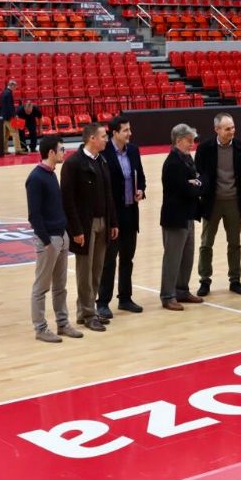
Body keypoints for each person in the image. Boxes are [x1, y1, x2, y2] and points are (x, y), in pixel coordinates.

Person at [61, 123, 119, 332]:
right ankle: (87, 313)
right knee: (84, 272)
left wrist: (113, 222)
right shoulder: (73, 164)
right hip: (85, 225)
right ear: (92, 139)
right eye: (103, 136)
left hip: (103, 222)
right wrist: (76, 230)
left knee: (97, 270)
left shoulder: (102, 161)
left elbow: (108, 195)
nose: (106, 139)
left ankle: (88, 310)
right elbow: (67, 201)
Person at [25, 136, 83, 343]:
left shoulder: (51, 175)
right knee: (41, 287)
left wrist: (65, 233)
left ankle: (62, 323)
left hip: (61, 236)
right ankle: (40, 328)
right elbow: (34, 215)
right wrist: (47, 241)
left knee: (61, 285)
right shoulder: (36, 178)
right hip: (49, 240)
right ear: (50, 153)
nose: (64, 152)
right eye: (61, 149)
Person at [97, 116, 146, 319]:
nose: (129, 133)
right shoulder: (104, 153)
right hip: (113, 215)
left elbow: (140, 176)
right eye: (125, 130)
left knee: (127, 258)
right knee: (109, 260)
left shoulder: (133, 150)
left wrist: (141, 190)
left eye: (129, 129)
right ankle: (102, 302)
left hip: (130, 212)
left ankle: (125, 298)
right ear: (114, 133)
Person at [195, 112, 241, 296]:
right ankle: (204, 280)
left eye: (233, 127)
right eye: (227, 129)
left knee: (234, 243)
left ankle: (235, 280)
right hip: (212, 202)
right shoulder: (204, 148)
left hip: (234, 201)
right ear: (217, 130)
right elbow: (199, 172)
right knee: (206, 244)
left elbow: (239, 172)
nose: (232, 131)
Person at [160, 124, 204, 310]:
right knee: (173, 258)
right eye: (189, 140)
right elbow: (184, 189)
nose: (192, 144)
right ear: (178, 141)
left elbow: (197, 182)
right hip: (175, 218)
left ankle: (182, 290)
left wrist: (195, 183)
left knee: (187, 256)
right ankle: (167, 295)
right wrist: (194, 185)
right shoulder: (172, 163)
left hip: (188, 215)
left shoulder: (187, 159)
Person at [0, 79, 25, 155]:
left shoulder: (3, 93)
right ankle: (18, 149)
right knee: (15, 132)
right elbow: (10, 106)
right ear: (11, 85)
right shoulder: (9, 93)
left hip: (3, 116)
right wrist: (14, 115)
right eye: (15, 86)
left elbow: (1, 106)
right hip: (9, 117)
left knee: (6, 134)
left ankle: (4, 149)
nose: (15, 88)